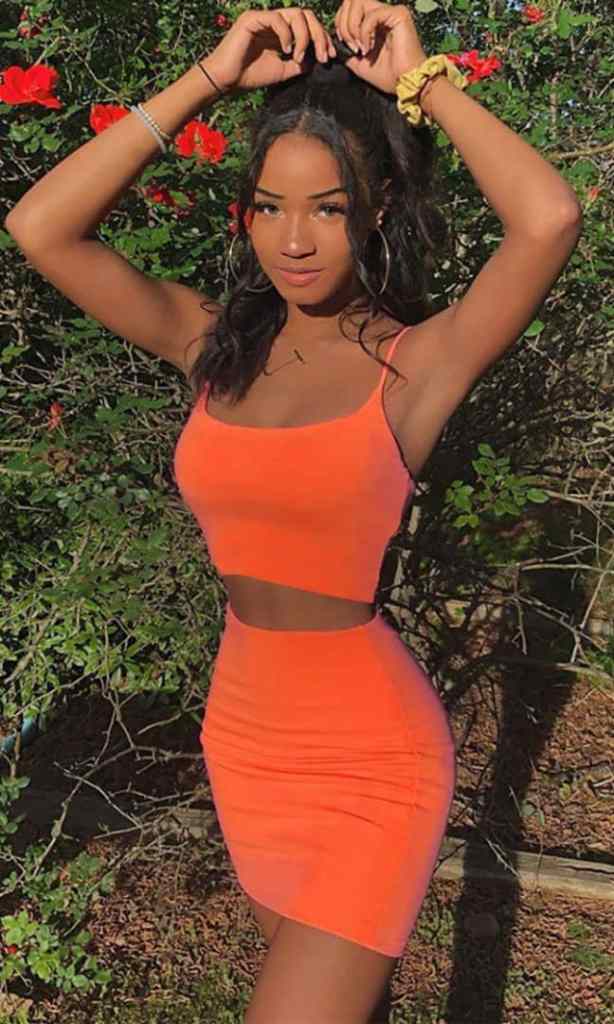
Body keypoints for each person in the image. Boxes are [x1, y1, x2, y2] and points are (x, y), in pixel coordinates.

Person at [5, 1, 583, 1020]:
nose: (295, 240)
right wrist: (210, 78)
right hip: (244, 731)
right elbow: (38, 226)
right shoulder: (213, 345)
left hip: (370, 755)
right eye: (268, 207)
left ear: (378, 208)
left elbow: (547, 219)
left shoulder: (417, 363)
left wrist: (422, 82)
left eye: (327, 207)